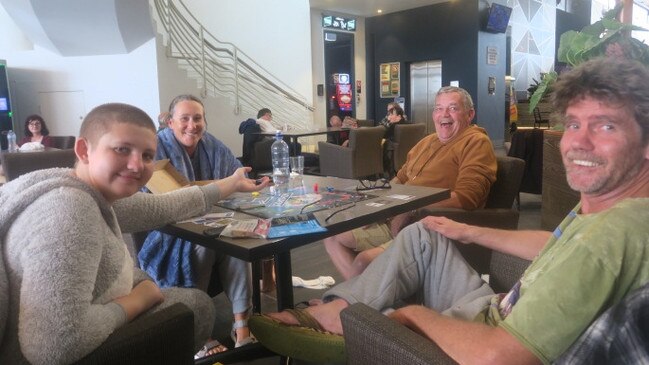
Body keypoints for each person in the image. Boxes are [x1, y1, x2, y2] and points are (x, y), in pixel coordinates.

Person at [251, 57, 649, 364]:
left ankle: (343, 318)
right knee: (416, 238)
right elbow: (558, 243)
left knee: (390, 299)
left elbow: (497, 356)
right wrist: (472, 234)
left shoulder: (612, 236)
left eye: (606, 126)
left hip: (490, 331)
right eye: (574, 125)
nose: (578, 143)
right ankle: (346, 309)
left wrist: (414, 315)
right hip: (496, 303)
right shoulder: (607, 207)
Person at [0, 102, 269, 365]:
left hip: (76, 317)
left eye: (147, 156)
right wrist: (137, 300)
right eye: (121, 149)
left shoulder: (82, 189)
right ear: (84, 149)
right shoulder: (70, 209)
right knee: (195, 307)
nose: (136, 165)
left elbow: (162, 205)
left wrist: (231, 183)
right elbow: (55, 347)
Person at [324, 86, 497, 279]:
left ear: (470, 114)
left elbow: (468, 197)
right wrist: (379, 205)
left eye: (453, 108)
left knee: (363, 262)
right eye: (439, 108)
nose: (444, 115)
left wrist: (411, 207)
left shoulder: (476, 143)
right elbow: (401, 177)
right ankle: (368, 300)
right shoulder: (427, 141)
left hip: (428, 225)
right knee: (332, 235)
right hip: (396, 217)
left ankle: (359, 301)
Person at [137, 94, 255, 351]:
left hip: (213, 219)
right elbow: (147, 199)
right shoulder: (155, 148)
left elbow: (235, 175)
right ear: (170, 122)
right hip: (170, 230)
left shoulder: (212, 145)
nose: (192, 125)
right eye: (185, 119)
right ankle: (198, 330)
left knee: (237, 240)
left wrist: (248, 185)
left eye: (198, 118)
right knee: (208, 243)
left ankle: (241, 324)